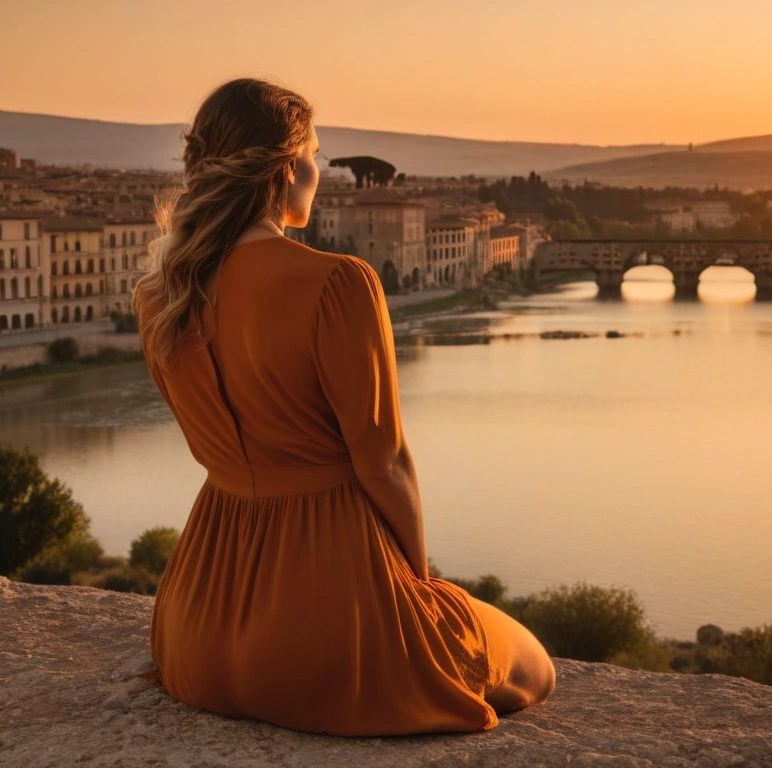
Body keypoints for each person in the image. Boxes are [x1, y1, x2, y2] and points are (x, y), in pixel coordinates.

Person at [133, 78, 554, 736]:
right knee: (532, 667)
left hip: (195, 630)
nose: (318, 170)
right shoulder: (338, 282)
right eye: (315, 153)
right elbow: (383, 464)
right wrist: (416, 584)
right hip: (327, 629)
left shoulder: (160, 296)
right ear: (284, 167)